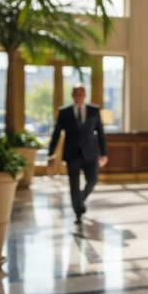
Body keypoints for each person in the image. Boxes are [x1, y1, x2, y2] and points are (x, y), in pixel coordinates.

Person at [46, 84, 108, 224]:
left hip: (91, 152)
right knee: (74, 184)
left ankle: (80, 198)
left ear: (85, 95)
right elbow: (56, 134)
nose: (79, 96)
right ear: (72, 95)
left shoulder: (94, 110)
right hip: (72, 154)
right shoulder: (65, 112)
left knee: (92, 180)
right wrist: (50, 153)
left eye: (81, 94)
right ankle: (78, 212)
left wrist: (104, 153)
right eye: (76, 94)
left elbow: (100, 133)